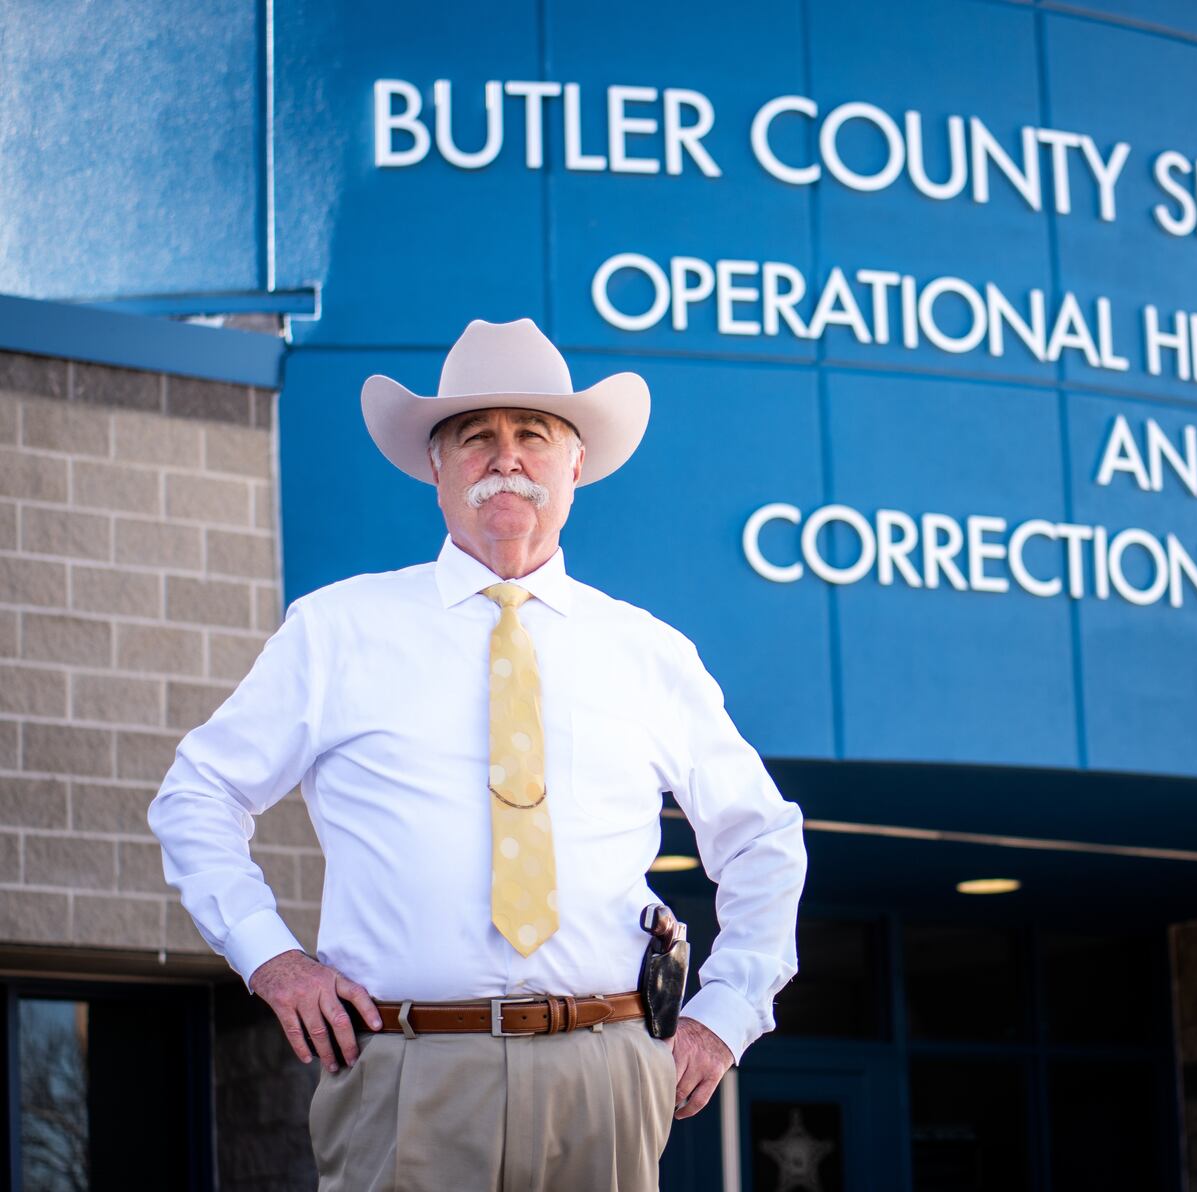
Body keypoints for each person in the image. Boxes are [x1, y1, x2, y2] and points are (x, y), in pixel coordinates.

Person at [148, 317, 807, 1190]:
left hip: (604, 1077)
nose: (506, 457)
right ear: (436, 466)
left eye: (533, 435)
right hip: (404, 1073)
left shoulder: (649, 652)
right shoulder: (339, 630)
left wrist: (725, 1014)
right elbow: (195, 795)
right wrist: (273, 958)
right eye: (476, 437)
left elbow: (762, 839)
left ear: (576, 465)